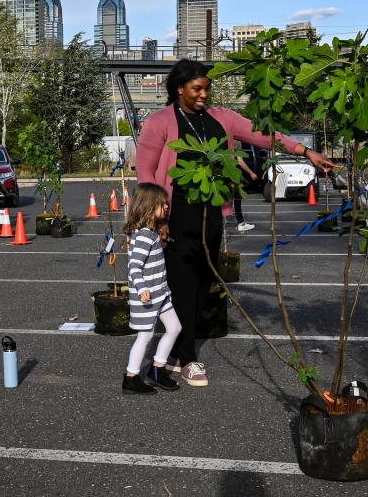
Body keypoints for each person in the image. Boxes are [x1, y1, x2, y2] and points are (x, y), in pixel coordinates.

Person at [136, 59, 335, 387]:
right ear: (179, 89)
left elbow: (263, 135)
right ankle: (187, 358)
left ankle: (173, 351)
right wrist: (154, 220)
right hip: (175, 216)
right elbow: (146, 172)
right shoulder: (159, 123)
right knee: (183, 287)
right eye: (196, 89)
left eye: (206, 89)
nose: (203, 95)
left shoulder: (221, 118)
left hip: (211, 215)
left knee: (203, 283)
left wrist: (306, 152)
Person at [122, 183, 183, 394]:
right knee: (145, 336)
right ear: (149, 207)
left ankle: (157, 369)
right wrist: (141, 289)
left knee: (174, 328)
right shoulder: (144, 236)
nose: (166, 207)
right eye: (162, 204)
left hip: (161, 293)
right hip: (147, 297)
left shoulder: (151, 232)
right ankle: (131, 377)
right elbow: (134, 266)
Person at [234, 155, 257, 232]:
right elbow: (240, 162)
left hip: (225, 174)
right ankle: (241, 223)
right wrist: (251, 173)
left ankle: (240, 222)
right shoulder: (236, 143)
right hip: (234, 176)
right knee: (237, 199)